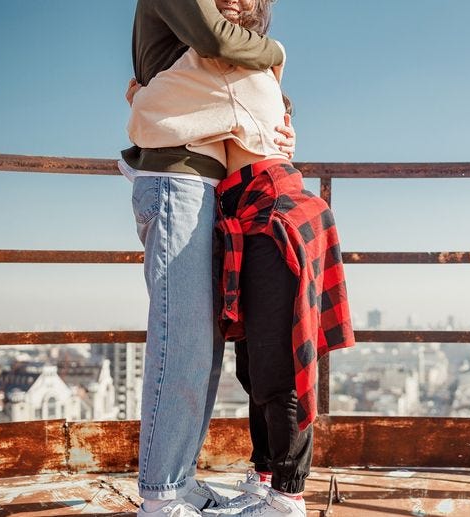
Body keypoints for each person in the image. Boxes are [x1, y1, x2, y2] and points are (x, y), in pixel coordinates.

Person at [125, 1, 355, 516]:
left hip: (267, 210)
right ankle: (186, 491)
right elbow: (211, 54)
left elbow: (164, 94)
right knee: (241, 357)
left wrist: (146, 96)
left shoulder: (228, 63)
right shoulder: (222, 56)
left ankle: (277, 494)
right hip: (236, 206)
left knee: (267, 359)